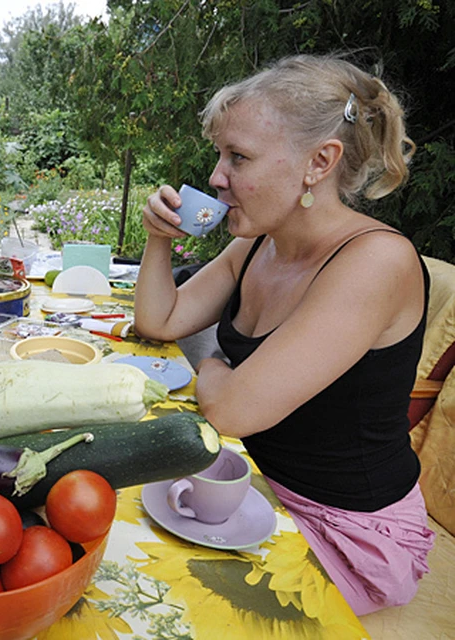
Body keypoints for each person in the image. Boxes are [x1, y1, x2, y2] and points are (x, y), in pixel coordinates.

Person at [135, 53, 435, 615]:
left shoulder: (375, 263)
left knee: (161, 605)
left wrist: (212, 359)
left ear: (319, 162)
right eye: (220, 154)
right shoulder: (258, 243)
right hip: (250, 487)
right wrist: (159, 238)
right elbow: (160, 321)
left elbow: (231, 411)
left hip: (344, 533)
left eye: (238, 157)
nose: (215, 176)